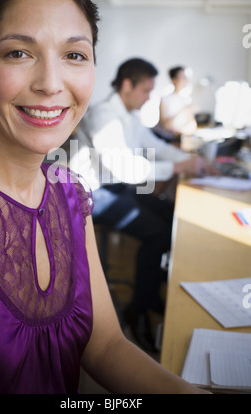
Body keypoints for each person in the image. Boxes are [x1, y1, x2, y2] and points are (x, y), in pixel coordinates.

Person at [0, 0, 209, 394]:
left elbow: (105, 346)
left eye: (74, 55)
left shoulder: (69, 192)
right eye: (19, 52)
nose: (51, 83)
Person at [70, 58, 218, 351]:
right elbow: (123, 168)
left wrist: (193, 162)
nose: (149, 97)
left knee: (173, 215)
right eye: (146, 91)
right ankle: (138, 308)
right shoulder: (103, 116)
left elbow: (155, 146)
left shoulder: (128, 115)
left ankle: (152, 290)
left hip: (117, 187)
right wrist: (178, 168)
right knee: (159, 233)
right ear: (127, 85)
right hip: (92, 194)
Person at [158, 66, 199, 139]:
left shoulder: (186, 100)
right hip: (163, 138)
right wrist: (184, 110)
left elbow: (192, 125)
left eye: (186, 77)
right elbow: (166, 126)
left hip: (179, 138)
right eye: (183, 77)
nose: (186, 80)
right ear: (174, 80)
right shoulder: (165, 100)